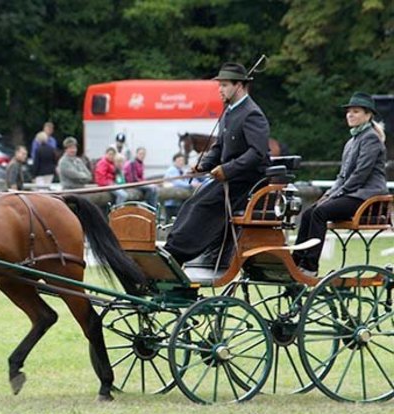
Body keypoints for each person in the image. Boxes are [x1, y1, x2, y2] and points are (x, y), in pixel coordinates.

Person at [164, 62, 270, 265]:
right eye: (219, 85)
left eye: (224, 85)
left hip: (246, 182)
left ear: (239, 85)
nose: (220, 90)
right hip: (229, 178)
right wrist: (203, 165)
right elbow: (219, 147)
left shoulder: (252, 114)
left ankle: (178, 254)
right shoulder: (229, 112)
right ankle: (173, 250)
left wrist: (227, 170)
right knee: (191, 204)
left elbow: (257, 153)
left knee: (202, 206)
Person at [292, 92, 388, 276]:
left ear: (368, 115)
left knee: (319, 213)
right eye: (348, 112)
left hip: (367, 199)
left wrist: (336, 194)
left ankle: (310, 266)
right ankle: (296, 262)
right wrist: (329, 194)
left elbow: (360, 174)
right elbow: (342, 176)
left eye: (356, 111)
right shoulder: (351, 142)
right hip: (352, 195)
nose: (350, 115)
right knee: (308, 213)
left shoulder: (370, 139)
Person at [163, 152, 193, 221]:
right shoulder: (171, 170)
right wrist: (190, 185)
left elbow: (187, 180)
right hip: (172, 203)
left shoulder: (182, 171)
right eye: (179, 160)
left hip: (180, 200)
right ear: (174, 161)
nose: (181, 162)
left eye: (182, 161)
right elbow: (176, 182)